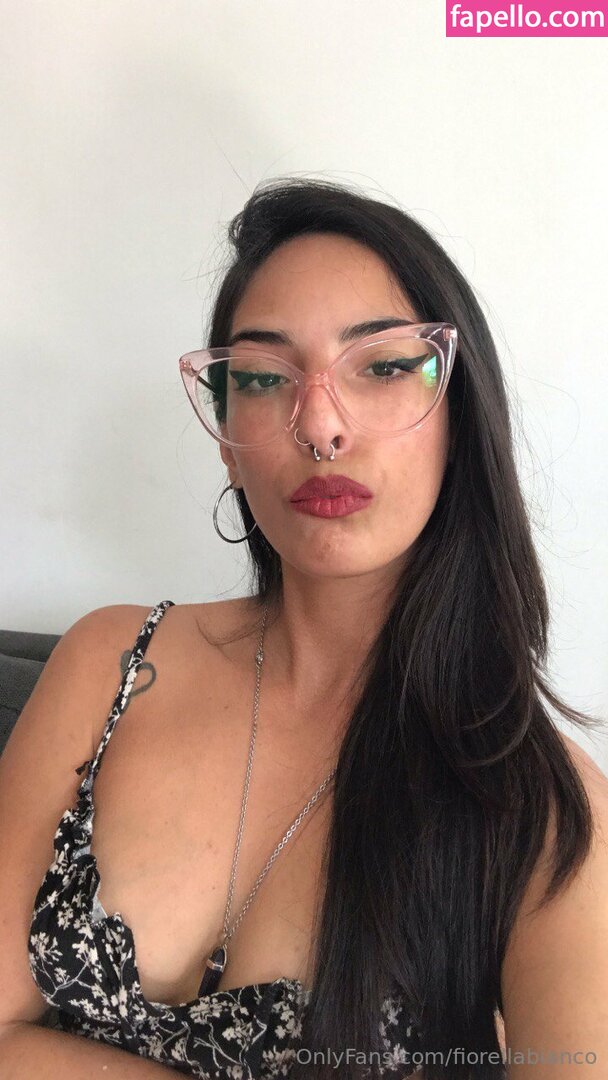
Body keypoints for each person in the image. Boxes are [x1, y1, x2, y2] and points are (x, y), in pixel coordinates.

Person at [1, 177, 607, 1080]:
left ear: (459, 410)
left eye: (384, 366)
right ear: (226, 435)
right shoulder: (111, 663)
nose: (319, 425)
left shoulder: (543, 812)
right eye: (261, 377)